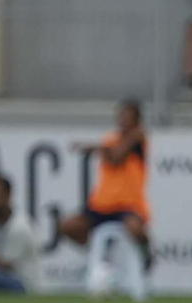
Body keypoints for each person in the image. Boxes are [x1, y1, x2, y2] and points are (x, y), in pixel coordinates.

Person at [58, 100, 151, 260]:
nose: (122, 120)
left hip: (128, 204)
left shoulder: (138, 136)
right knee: (67, 226)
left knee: (135, 229)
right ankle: (99, 253)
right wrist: (101, 148)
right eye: (121, 115)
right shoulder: (109, 139)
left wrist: (93, 147)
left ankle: (145, 251)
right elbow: (112, 155)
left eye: (127, 116)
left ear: (137, 120)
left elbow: (116, 157)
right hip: (101, 204)